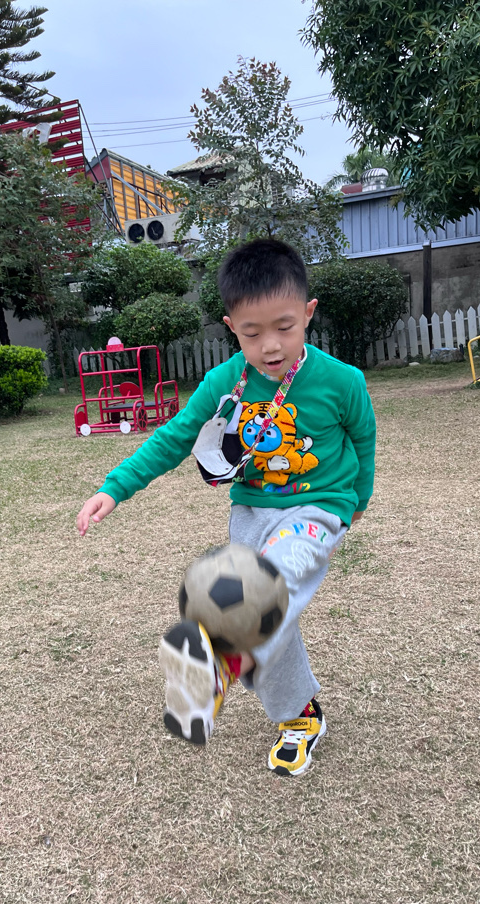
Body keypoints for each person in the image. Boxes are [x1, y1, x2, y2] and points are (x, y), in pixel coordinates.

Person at [76, 239, 376, 777]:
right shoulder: (222, 384)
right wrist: (115, 487)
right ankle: (300, 716)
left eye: (284, 327)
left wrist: (359, 500)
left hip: (318, 508)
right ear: (230, 326)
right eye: (252, 333)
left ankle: (220, 660)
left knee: (271, 585)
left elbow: (364, 440)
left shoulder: (342, 381)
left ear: (308, 312)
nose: (271, 346)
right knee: (272, 617)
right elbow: (173, 439)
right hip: (251, 514)